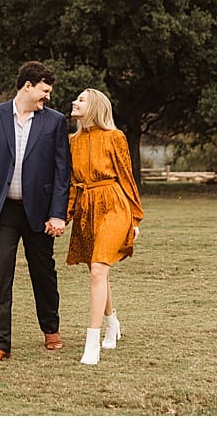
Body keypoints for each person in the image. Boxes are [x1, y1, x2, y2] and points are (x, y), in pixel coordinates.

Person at [0, 61, 72, 362]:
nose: (47, 97)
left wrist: (57, 214)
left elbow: (62, 172)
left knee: (43, 272)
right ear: (28, 85)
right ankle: (0, 343)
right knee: (1, 272)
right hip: (3, 211)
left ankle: (51, 329)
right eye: (45, 90)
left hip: (40, 212)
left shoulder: (54, 122)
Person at [65, 88, 144, 365]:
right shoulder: (72, 141)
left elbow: (127, 177)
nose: (75, 102)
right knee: (98, 269)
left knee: (99, 269)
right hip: (88, 208)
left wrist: (135, 218)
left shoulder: (115, 137)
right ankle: (112, 323)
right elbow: (73, 184)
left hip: (114, 204)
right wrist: (65, 216)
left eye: (81, 100)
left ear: (95, 107)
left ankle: (92, 341)